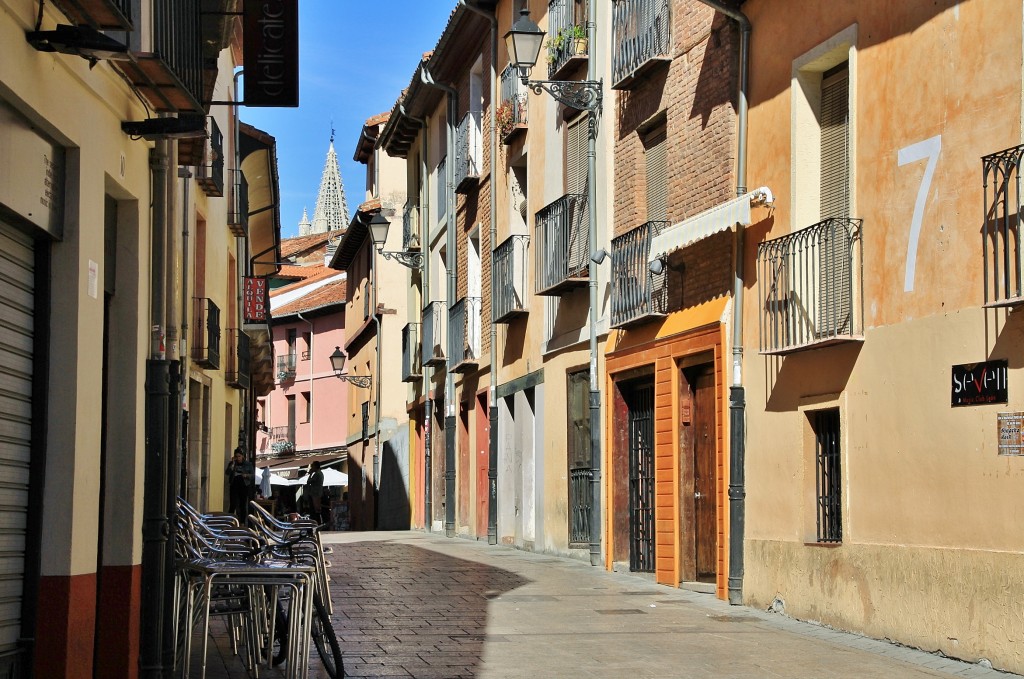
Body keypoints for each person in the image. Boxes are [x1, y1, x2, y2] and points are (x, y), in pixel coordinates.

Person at [226, 448, 254, 523]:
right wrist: (232, 465)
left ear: (242, 456)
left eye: (239, 456)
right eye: (236, 456)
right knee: (233, 504)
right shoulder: (232, 463)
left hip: (244, 485)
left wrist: (246, 475)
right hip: (234, 485)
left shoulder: (248, 464)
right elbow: (227, 473)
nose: (238, 458)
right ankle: (229, 521)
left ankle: (242, 522)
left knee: (242, 504)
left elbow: (252, 475)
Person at [305, 461, 325, 526]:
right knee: (316, 511)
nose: (311, 467)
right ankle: (317, 523)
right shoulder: (320, 473)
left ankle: (315, 524)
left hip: (315, 495)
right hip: (317, 494)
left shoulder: (317, 474)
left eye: (312, 466)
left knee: (314, 512)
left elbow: (308, 482)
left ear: (315, 466)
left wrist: (310, 474)